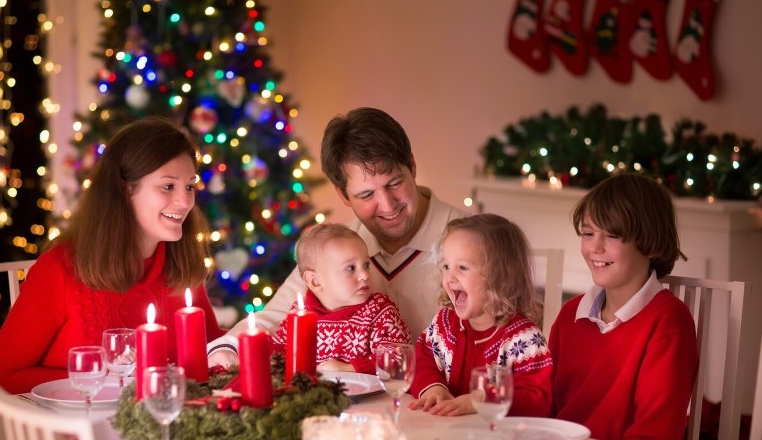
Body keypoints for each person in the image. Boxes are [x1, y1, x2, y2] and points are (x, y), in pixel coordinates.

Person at [208, 107, 467, 366]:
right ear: (343, 195)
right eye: (366, 195)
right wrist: (228, 349)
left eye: (394, 183)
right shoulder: (336, 247)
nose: (388, 205)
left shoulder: (474, 240)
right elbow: (274, 317)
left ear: (412, 165)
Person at [0, 118, 224, 394]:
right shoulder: (60, 269)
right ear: (126, 190)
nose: (185, 202)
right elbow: (3, 377)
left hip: (165, 429)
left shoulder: (181, 267)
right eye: (168, 186)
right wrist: (103, 382)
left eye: (189, 186)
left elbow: (214, 350)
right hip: (74, 432)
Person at [548, 172, 698, 440]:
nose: (595, 247)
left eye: (613, 235)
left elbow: (655, 439)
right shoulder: (571, 315)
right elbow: (545, 405)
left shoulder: (669, 321)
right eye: (589, 233)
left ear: (651, 244)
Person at [408, 214, 552, 417]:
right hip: (445, 436)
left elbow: (536, 399)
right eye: (446, 266)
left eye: (463, 267)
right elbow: (424, 358)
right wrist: (433, 387)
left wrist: (481, 400)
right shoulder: (444, 323)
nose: (450, 277)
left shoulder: (524, 339)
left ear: (500, 277)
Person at [270, 223, 411, 374]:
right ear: (315, 281)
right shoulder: (300, 313)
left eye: (366, 265)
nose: (365, 275)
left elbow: (399, 358)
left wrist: (350, 369)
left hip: (372, 396)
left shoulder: (379, 311)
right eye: (350, 268)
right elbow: (279, 349)